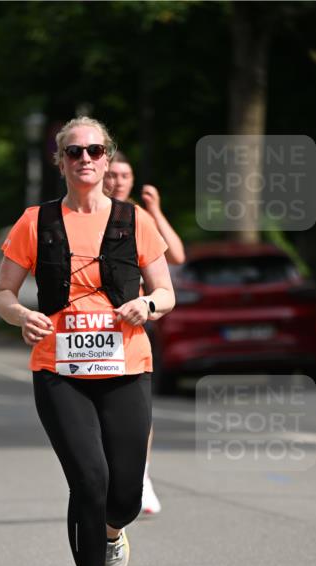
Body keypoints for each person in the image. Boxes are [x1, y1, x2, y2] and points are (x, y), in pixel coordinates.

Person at [0, 117, 175, 566]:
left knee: (126, 494)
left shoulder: (135, 220)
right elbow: (2, 294)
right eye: (75, 152)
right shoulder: (36, 221)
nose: (86, 159)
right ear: (62, 162)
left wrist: (146, 302)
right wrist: (20, 314)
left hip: (126, 367)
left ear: (107, 155)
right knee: (88, 480)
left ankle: (113, 531)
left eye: (95, 150)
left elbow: (166, 292)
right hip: (59, 370)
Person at [105, 152, 186, 515]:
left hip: (133, 325)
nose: (118, 181)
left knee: (138, 413)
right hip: (93, 327)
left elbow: (178, 256)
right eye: (113, 175)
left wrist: (156, 210)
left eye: (125, 175)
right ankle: (109, 476)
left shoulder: (138, 217)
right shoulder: (88, 216)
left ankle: (141, 476)